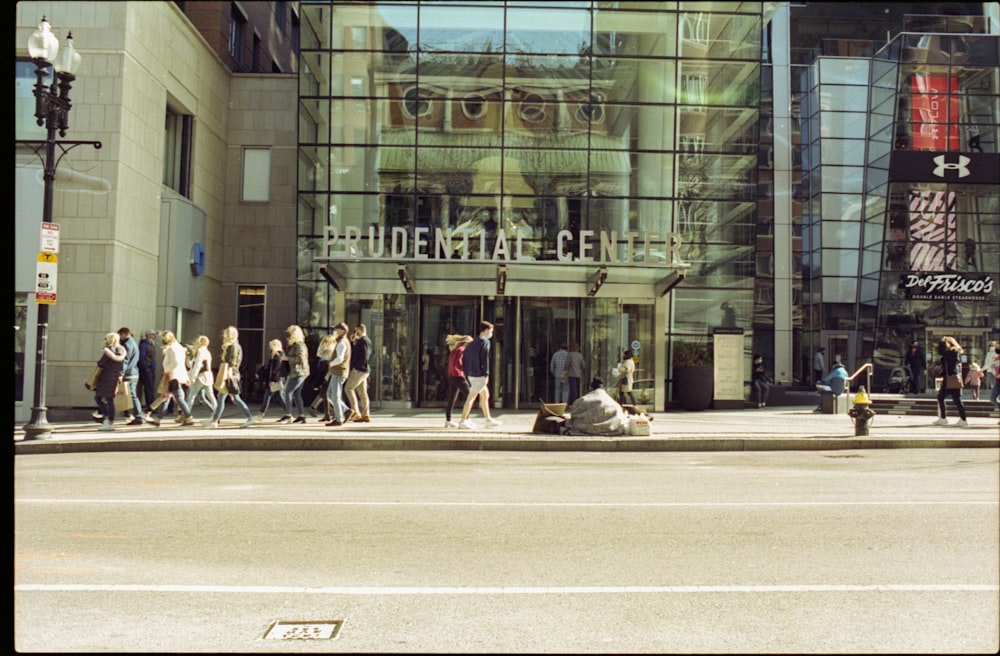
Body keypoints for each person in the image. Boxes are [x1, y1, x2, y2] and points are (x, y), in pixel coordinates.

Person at [204, 326, 254, 428]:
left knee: (224, 398)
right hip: (232, 374)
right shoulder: (235, 346)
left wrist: (228, 375)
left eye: (226, 334)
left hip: (230, 374)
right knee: (232, 398)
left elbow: (231, 361)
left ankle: (215, 421)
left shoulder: (233, 347)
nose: (224, 336)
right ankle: (249, 418)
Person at [145, 331, 196, 427]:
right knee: (167, 397)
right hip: (179, 375)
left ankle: (189, 418)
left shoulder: (171, 348)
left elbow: (175, 362)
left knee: (178, 398)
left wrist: (167, 370)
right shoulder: (180, 348)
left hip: (172, 376)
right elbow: (181, 364)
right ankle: (158, 419)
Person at [459, 320, 502, 429]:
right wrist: (486, 374)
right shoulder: (485, 342)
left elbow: (465, 358)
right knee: (471, 398)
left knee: (485, 395)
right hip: (479, 375)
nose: (491, 333)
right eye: (491, 331)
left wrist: (466, 371)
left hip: (471, 373)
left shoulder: (473, 343)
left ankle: (488, 419)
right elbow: (485, 359)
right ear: (487, 330)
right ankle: (463, 420)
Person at [564, 378, 629, 436]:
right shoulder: (613, 404)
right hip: (609, 427)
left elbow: (573, 413)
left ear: (591, 388)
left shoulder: (582, 400)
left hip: (584, 427)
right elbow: (620, 417)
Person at [94, 332, 126, 431]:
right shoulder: (121, 350)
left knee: (99, 398)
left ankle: (108, 420)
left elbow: (101, 363)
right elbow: (123, 364)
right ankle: (109, 421)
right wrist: (120, 374)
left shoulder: (108, 351)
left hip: (106, 377)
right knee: (109, 399)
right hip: (114, 377)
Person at [932, 336, 968, 428]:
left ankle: (963, 419)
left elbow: (940, 351)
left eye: (944, 343)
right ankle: (943, 418)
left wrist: (942, 340)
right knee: (941, 397)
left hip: (951, 378)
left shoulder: (952, 352)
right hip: (948, 378)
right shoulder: (951, 353)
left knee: (956, 400)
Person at [113, 327, 145, 425]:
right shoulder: (133, 343)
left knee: (132, 395)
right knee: (132, 395)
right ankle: (135, 415)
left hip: (129, 373)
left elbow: (125, 360)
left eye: (120, 335)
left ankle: (139, 416)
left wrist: (121, 373)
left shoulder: (127, 345)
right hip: (134, 372)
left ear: (124, 334)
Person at [279, 324, 310, 424]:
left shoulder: (299, 345)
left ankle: (288, 415)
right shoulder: (295, 345)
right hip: (298, 371)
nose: (288, 335)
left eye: (290, 333)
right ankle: (301, 416)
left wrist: (287, 359)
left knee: (287, 392)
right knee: (297, 394)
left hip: (299, 372)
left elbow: (301, 359)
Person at [325, 323, 352, 427]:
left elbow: (340, 358)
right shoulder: (343, 341)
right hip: (338, 372)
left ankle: (339, 418)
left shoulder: (342, 343)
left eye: (336, 329)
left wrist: (330, 364)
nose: (335, 331)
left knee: (334, 395)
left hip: (339, 372)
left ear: (342, 331)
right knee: (330, 394)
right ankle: (345, 410)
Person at [344, 324, 372, 423]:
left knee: (348, 388)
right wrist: (352, 342)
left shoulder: (363, 341)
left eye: (356, 331)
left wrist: (356, 368)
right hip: (364, 370)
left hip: (360, 370)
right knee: (362, 392)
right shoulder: (365, 341)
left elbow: (363, 356)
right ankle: (366, 414)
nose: (355, 333)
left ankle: (356, 412)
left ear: (360, 331)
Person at [444, 334, 473, 428]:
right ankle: (465, 419)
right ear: (466, 343)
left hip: (452, 376)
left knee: (452, 398)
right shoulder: (462, 350)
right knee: (470, 396)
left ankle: (448, 420)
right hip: (459, 376)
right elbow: (460, 363)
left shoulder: (455, 350)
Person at [186, 335, 218, 415]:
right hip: (208, 376)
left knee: (191, 396)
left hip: (200, 376)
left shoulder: (200, 351)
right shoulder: (207, 352)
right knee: (211, 396)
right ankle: (217, 412)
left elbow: (197, 365)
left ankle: (187, 414)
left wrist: (193, 377)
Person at [307, 333, 336, 419]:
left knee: (324, 393)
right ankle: (332, 411)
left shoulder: (325, 350)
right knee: (326, 393)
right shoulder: (330, 350)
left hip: (325, 371)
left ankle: (319, 409)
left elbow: (318, 354)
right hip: (327, 372)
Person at [258, 338, 288, 420]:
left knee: (268, 396)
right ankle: (288, 413)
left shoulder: (277, 357)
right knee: (279, 397)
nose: (271, 348)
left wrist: (272, 380)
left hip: (276, 380)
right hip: (277, 379)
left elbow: (276, 370)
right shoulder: (276, 356)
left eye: (273, 346)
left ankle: (261, 414)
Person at [138, 328, 159, 407]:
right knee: (149, 388)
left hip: (151, 369)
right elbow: (142, 358)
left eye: (153, 335)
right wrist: (146, 368)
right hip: (147, 369)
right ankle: (150, 405)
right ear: (147, 335)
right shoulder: (144, 345)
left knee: (151, 388)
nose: (153, 336)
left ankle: (151, 404)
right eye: (151, 335)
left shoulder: (151, 345)